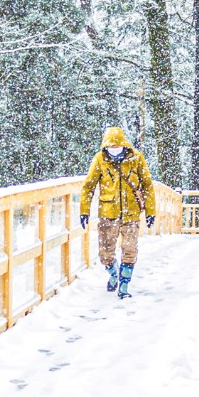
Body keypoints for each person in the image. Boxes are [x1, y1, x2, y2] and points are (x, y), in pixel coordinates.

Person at [80, 125, 156, 297]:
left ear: (123, 143)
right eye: (110, 146)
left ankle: (124, 285)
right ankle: (114, 273)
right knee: (105, 253)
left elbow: (147, 185)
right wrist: (84, 210)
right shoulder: (100, 159)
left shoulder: (136, 158)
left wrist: (151, 211)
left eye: (117, 145)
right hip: (108, 213)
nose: (114, 149)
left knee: (130, 250)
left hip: (131, 213)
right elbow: (88, 186)